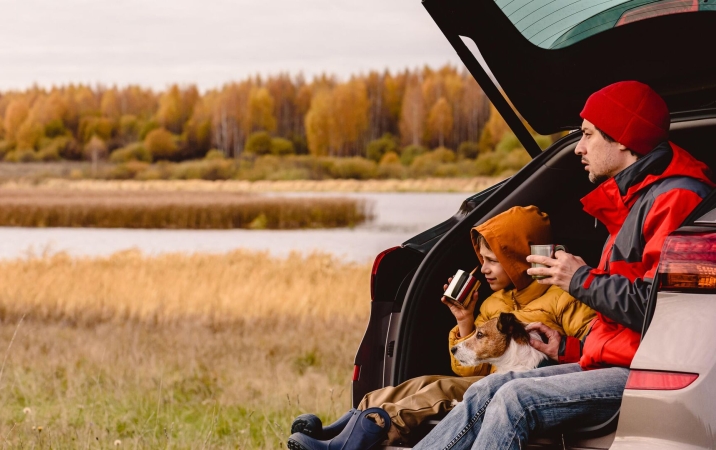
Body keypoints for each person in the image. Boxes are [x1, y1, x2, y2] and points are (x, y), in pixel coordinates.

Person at [413, 80, 714, 450]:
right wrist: (568, 349)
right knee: (487, 388)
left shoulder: (676, 198)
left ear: (622, 138)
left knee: (514, 401)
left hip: (647, 370)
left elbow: (664, 312)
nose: (579, 148)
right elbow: (624, 324)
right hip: (617, 362)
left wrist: (579, 279)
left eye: (587, 134)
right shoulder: (634, 200)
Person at [287, 206, 596, 450]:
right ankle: (347, 426)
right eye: (482, 260)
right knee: (416, 385)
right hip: (490, 383)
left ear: (518, 259)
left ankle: (362, 437)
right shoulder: (493, 304)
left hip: (526, 385)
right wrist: (465, 320)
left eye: (493, 261)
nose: (484, 268)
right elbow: (470, 369)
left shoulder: (562, 296)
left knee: (439, 390)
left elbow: (592, 349)